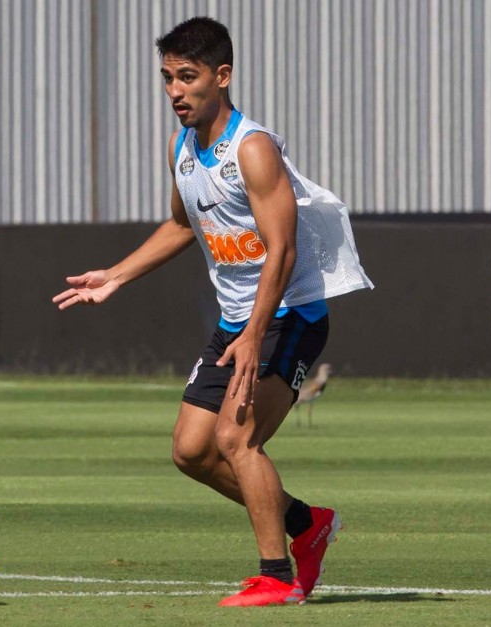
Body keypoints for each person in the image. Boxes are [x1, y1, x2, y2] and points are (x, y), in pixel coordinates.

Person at [53, 16, 373, 607]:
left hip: (289, 317)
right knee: (190, 451)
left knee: (235, 437)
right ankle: (306, 523)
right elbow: (182, 224)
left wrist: (255, 335)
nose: (175, 91)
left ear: (221, 76)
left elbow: (284, 248)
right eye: (168, 78)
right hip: (237, 322)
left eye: (188, 77)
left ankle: (278, 576)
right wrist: (115, 275)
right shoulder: (184, 146)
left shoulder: (251, 150)